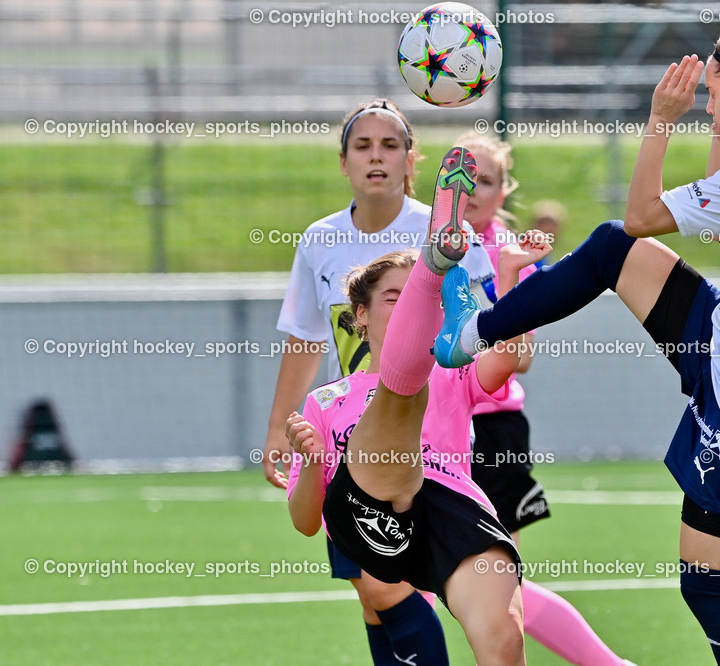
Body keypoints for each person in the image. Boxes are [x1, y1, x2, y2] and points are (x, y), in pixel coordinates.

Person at [435, 0, 720, 665]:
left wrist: (658, 121)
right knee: (610, 250)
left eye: (713, 95)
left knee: (708, 589)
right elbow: (715, 192)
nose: (708, 108)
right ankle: (472, 332)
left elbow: (646, 211)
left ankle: (474, 330)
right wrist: (719, 129)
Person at [285, 145, 552, 664]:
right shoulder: (326, 401)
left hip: (451, 503)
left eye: (419, 300)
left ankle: (441, 267)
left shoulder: (454, 373)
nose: (409, 310)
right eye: (395, 299)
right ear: (359, 316)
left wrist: (511, 275)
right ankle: (438, 262)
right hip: (369, 510)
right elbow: (304, 521)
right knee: (400, 396)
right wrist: (314, 462)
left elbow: (510, 360)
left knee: (504, 639)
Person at [264, 98, 496, 664]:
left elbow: (485, 321)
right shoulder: (320, 239)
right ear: (343, 162)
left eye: (390, 145)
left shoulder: (441, 230)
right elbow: (305, 339)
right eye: (362, 146)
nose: (376, 157)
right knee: (372, 594)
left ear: (411, 160)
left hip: (433, 428)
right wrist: (278, 429)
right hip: (351, 437)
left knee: (388, 584)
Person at [453, 131, 630, 665]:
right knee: (413, 578)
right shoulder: (427, 247)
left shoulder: (513, 255)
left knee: (503, 589)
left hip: (492, 429)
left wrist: (505, 282)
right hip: (431, 431)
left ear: (506, 189)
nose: (474, 189)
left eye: (487, 179)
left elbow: (521, 355)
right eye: (463, 178)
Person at [529, 200, 568, 268]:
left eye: (552, 225)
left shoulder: (547, 253)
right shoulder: (529, 251)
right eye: (543, 223)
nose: (547, 227)